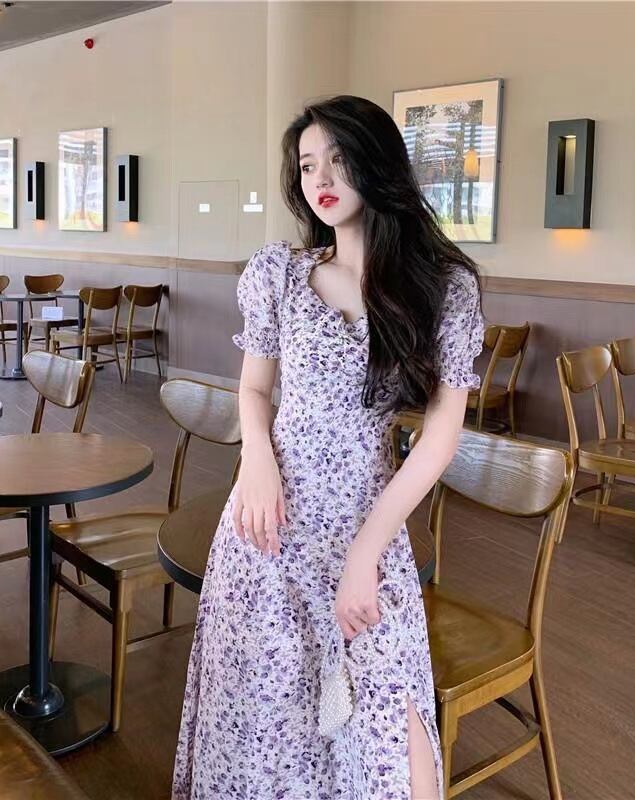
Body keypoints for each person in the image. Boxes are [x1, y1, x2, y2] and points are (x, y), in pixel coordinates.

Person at [172, 95, 485, 800]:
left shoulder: (444, 287)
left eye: (339, 159)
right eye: (309, 164)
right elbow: (254, 389)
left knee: (392, 727)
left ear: (378, 164)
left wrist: (368, 552)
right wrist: (256, 462)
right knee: (266, 722)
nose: (321, 178)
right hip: (269, 524)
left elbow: (441, 436)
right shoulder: (280, 273)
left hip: (365, 520)